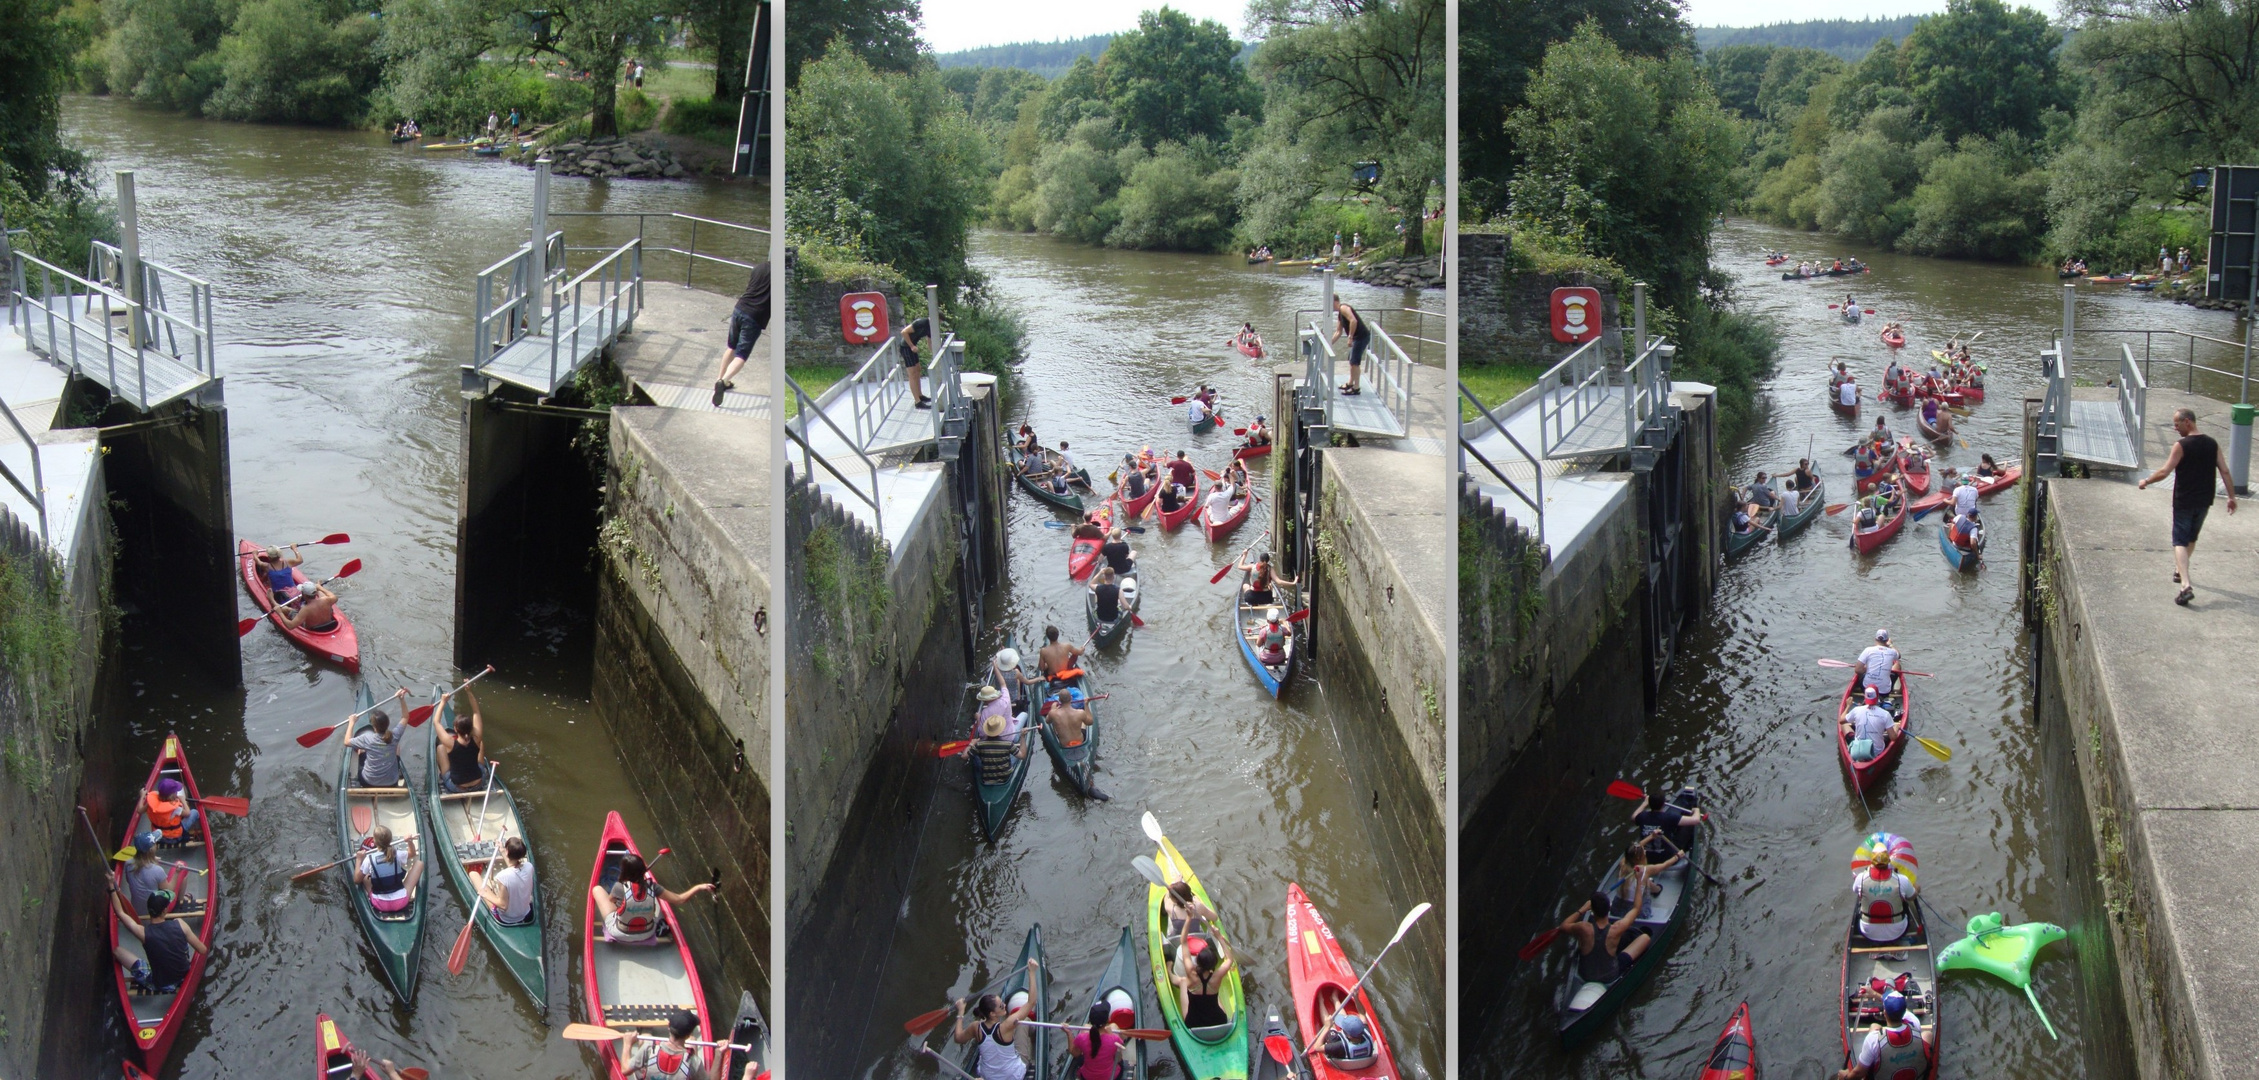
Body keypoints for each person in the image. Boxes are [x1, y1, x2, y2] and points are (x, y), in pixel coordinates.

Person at [2137, 407, 2238, 605]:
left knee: (2180, 540)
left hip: (2184, 500)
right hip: (2204, 499)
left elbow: (2165, 471)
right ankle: (2178, 570)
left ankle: (2185, 585)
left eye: (2177, 424)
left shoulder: (2181, 445)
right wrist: (2231, 497)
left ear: (2188, 422)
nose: (2175, 428)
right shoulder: (2212, 444)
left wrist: (2146, 481)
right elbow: (2225, 471)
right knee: (2192, 537)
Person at [593, 851, 716, 944]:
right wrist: (699, 887)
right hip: (647, 933)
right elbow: (680, 899)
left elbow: (611, 901)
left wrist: (627, 904)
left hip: (620, 933)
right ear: (643, 871)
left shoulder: (619, 887)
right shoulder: (654, 887)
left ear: (624, 872)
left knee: (597, 889)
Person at [951, 956, 1041, 1080]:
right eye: (1001, 1006)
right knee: (1023, 1022)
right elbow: (1031, 1002)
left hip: (988, 1076)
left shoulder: (975, 1027)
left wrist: (960, 1012)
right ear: (992, 1014)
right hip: (1012, 1075)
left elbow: (958, 1038)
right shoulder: (1007, 1025)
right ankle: (1034, 1037)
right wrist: (1032, 973)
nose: (1004, 1005)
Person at [112, 887, 205, 995]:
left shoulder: (143, 933)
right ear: (165, 910)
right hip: (184, 975)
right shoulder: (180, 924)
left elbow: (119, 912)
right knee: (183, 940)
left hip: (161, 984)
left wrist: (111, 888)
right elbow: (202, 950)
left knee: (117, 951)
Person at [1835, 990, 1934, 1080]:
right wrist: (1875, 994)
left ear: (1885, 1012)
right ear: (1904, 1011)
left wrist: (1845, 1077)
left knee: (1874, 1026)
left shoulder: (1873, 1039)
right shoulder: (1915, 1023)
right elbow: (1905, 1012)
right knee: (1927, 1035)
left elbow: (1859, 1073)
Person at [1560, 890, 1649, 988]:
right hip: (1609, 977)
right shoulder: (1617, 928)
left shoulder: (1583, 928)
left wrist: (1582, 909)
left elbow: (1563, 926)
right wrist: (1639, 880)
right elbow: (1636, 908)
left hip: (1585, 976)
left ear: (1592, 911)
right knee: (1644, 938)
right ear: (1609, 908)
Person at [711, 262, 771, 406]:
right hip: (754, 317)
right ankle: (724, 381)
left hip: (740, 308)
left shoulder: (759, 267)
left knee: (731, 347)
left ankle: (719, 379)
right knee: (741, 356)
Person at [1853, 844, 1918, 943]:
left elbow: (1856, 892)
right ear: (1888, 861)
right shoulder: (1901, 879)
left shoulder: (1860, 878)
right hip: (1897, 931)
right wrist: (1917, 888)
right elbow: (1912, 897)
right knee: (1904, 898)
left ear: (1872, 862)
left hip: (1868, 932)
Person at [348, 690, 411, 788]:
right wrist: (402, 699)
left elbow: (346, 741)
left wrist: (351, 723)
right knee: (397, 746)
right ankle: (397, 772)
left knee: (361, 750)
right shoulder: (395, 735)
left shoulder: (367, 738)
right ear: (387, 724)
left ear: (374, 727)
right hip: (391, 783)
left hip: (368, 782)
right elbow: (405, 717)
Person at [1173, 932, 1235, 1029]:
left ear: (1198, 961)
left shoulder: (1191, 974)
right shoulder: (1217, 976)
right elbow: (1230, 960)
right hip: (1219, 1020)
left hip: (1194, 1023)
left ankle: (1168, 971)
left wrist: (1189, 919)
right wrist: (1219, 937)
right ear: (1214, 963)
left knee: (1183, 982)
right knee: (1213, 991)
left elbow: (1184, 942)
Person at [471, 836, 537, 927]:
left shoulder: (503, 876)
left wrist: (485, 894)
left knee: (473, 874)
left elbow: (503, 905)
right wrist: (502, 851)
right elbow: (513, 867)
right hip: (525, 913)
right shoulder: (529, 866)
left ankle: (486, 891)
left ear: (508, 852)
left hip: (506, 919)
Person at [436, 685, 491, 794]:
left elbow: (436, 722)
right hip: (479, 783)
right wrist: (469, 692)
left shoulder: (449, 742)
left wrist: (442, 702)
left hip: (457, 787)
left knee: (441, 748)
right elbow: (476, 712)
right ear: (471, 728)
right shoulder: (476, 738)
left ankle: (441, 777)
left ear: (455, 729)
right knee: (481, 743)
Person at [1608, 838, 1681, 920]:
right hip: (1636, 913)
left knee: (1644, 880)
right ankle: (1657, 890)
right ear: (1639, 858)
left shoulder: (1623, 864)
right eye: (1643, 851)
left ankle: (1655, 888)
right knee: (1645, 880)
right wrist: (1677, 856)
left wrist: (1651, 836)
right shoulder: (1645, 870)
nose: (1645, 852)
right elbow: (1664, 865)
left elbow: (1631, 851)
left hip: (1616, 909)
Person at [355, 826, 422, 914]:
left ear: (374, 841)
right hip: (401, 902)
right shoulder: (397, 854)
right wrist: (409, 842)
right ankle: (410, 896)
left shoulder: (369, 859)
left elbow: (356, 880)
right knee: (419, 863)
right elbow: (412, 853)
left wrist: (359, 859)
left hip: (379, 904)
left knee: (364, 875)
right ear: (390, 840)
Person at [625, 1009, 707, 1080]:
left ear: (668, 1027)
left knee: (645, 1038)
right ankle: (688, 1032)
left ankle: (645, 1031)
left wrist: (627, 1044)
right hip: (688, 1063)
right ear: (687, 1035)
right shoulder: (694, 1062)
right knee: (692, 1043)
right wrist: (718, 1055)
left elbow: (625, 1070)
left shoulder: (650, 1048)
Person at [1066, 999, 1130, 1080]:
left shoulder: (1082, 1037)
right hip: (1112, 1077)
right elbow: (1118, 1059)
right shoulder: (1114, 1039)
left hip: (1087, 1077)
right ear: (1108, 1019)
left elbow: (1075, 1053)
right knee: (1114, 1026)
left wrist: (1068, 1033)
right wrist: (1111, 1035)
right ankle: (1123, 1037)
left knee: (1086, 1027)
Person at [1841, 685, 1902, 762]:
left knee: (1844, 725)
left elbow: (1841, 720)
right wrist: (1896, 727)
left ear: (1865, 697)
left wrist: (1848, 706)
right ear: (1877, 697)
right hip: (1876, 752)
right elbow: (1893, 738)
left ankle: (1856, 756)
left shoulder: (1856, 710)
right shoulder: (1885, 714)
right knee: (1891, 731)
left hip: (1858, 749)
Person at [144, 778, 202, 846]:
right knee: (194, 812)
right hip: (175, 837)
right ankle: (197, 825)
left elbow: (139, 810)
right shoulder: (175, 808)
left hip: (157, 836)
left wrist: (142, 795)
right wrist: (183, 801)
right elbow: (188, 813)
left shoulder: (151, 803)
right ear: (173, 795)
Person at [1332, 298, 1371, 395]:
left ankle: (1356, 387)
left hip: (1361, 337)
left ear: (1335, 301)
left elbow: (1353, 321)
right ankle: (1350, 383)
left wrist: (1350, 337)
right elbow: (1338, 332)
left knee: (1354, 362)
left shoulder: (1343, 308)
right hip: (1356, 338)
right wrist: (1328, 344)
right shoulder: (1340, 315)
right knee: (1351, 360)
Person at [897, 318, 934, 410]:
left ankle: (920, 395)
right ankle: (917, 402)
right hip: (906, 348)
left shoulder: (931, 327)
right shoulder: (922, 322)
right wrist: (912, 346)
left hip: (912, 348)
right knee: (912, 374)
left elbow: (929, 341)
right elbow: (904, 332)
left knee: (918, 369)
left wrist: (934, 354)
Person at [1857, 630, 1901, 697]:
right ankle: (1898, 691)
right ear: (1887, 640)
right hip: (1884, 692)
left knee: (1863, 666)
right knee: (1897, 664)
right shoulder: (1892, 652)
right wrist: (1890, 645)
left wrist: (1867, 668)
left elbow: (1858, 670)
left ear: (1875, 639)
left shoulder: (1868, 650)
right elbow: (1899, 656)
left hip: (1866, 689)